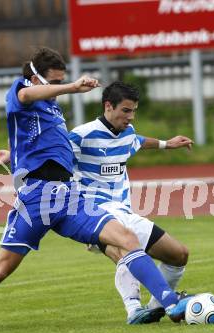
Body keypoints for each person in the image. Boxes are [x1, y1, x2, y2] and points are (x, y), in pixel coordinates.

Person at [0, 48, 191, 333]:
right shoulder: (21, 94)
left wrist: (14, 152)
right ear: (34, 78)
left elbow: (49, 144)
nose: (57, 88)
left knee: (126, 239)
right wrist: (72, 87)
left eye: (61, 81)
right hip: (36, 199)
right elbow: (25, 97)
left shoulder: (52, 108)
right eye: (53, 82)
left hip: (68, 197)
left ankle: (170, 304)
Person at [68, 81, 193, 320]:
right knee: (128, 251)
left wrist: (168, 144)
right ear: (108, 106)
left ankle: (155, 307)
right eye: (126, 110)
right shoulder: (81, 135)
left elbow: (138, 141)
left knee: (179, 255)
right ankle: (137, 309)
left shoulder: (128, 133)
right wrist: (13, 156)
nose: (131, 116)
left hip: (123, 211)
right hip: (95, 213)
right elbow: (49, 152)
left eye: (134, 110)